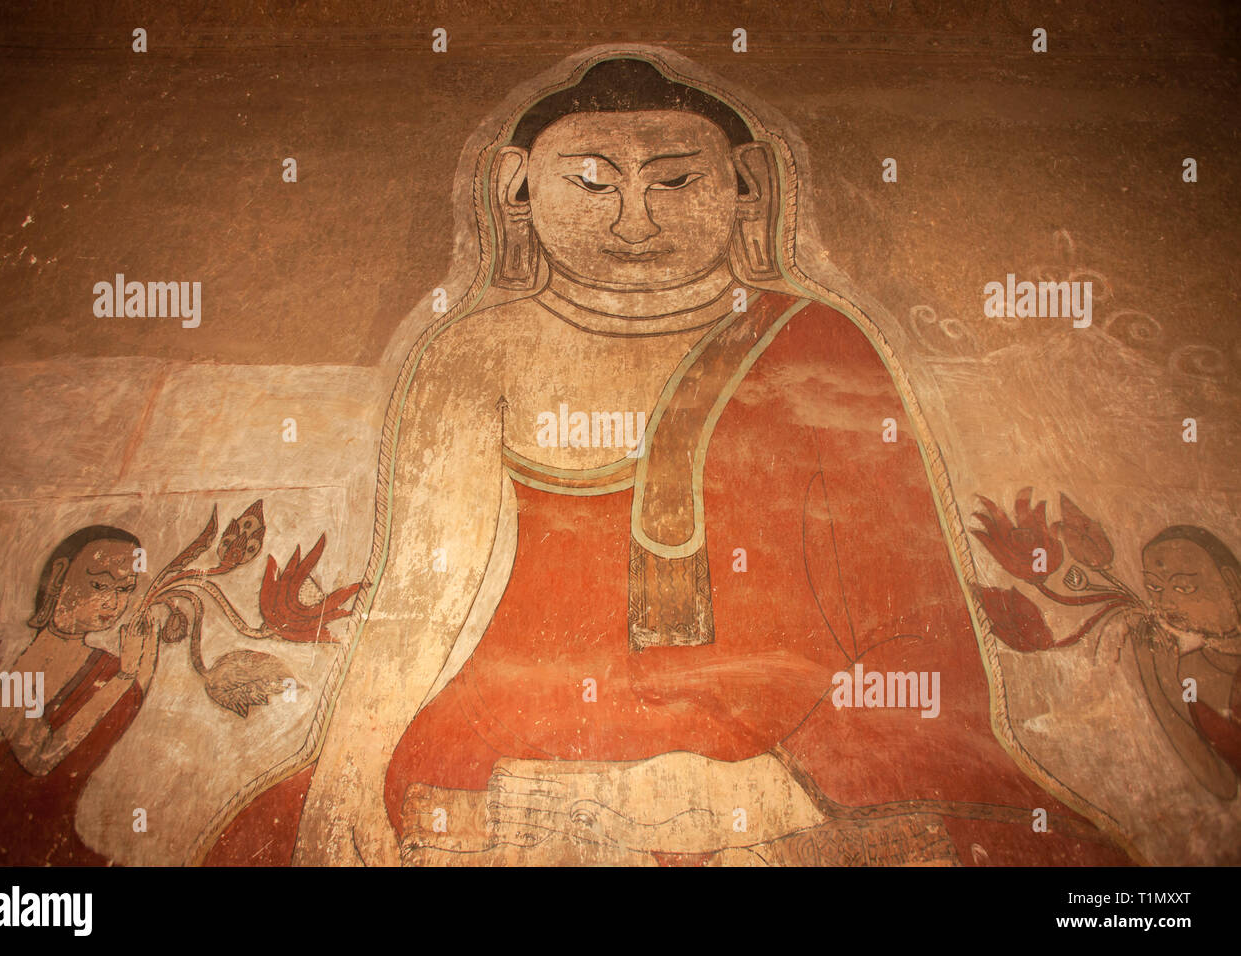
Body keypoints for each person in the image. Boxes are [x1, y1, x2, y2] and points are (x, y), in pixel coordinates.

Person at [218, 54, 1130, 867]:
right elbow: (420, 596)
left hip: (783, 734)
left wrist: (772, 769)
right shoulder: (477, 351)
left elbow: (913, 624)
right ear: (516, 187)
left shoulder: (814, 341)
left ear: (746, 186)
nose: (634, 219)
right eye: (591, 182)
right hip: (510, 721)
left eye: (674, 180)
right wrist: (347, 768)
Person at [0, 525, 157, 864]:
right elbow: (39, 757)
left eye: (125, 589)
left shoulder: (107, 663)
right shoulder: (16, 657)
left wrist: (134, 673)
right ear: (59, 575)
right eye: (99, 584)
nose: (113, 602)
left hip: (50, 835)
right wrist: (126, 676)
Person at [1131, 525, 1241, 799]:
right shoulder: (1189, 669)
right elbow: (1222, 784)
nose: (1165, 603)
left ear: (1231, 584)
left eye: (1183, 587)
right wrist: (1156, 678)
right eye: (1154, 588)